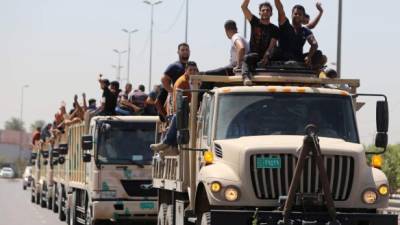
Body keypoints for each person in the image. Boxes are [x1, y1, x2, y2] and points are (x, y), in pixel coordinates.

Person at [150, 62, 199, 152]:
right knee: (178, 116)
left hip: (194, 110)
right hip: (185, 110)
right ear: (186, 71)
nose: (193, 72)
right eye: (190, 70)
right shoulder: (182, 82)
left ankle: (167, 143)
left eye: (195, 70)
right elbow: (179, 103)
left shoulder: (196, 80)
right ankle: (167, 143)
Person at [274, 0, 326, 70]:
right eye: (295, 14)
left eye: (300, 14)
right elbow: (280, 9)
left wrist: (309, 56)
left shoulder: (305, 30)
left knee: (319, 54)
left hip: (298, 59)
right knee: (275, 51)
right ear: (291, 15)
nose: (297, 16)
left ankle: (313, 70)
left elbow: (314, 44)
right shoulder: (285, 24)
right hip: (282, 58)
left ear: (303, 17)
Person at [156, 43, 191, 120]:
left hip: (189, 100)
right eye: (182, 50)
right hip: (178, 102)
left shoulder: (191, 67)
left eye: (187, 50)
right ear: (178, 52)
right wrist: (173, 92)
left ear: (189, 51)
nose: (185, 52)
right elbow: (163, 79)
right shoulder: (175, 66)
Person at [241, 0, 279, 66]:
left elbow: (271, 46)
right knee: (247, 58)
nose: (265, 12)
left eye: (268, 10)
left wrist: (266, 57)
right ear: (259, 13)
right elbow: (243, 7)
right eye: (263, 10)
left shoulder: (274, 28)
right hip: (253, 56)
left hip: (266, 57)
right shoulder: (254, 21)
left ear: (271, 13)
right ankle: (245, 75)